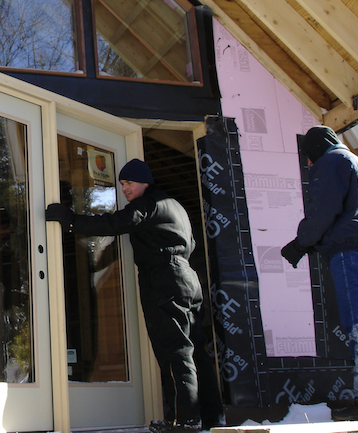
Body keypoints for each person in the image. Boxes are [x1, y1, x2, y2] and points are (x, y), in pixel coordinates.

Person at [46, 158, 224, 433]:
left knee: (175, 350)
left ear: (145, 182)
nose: (125, 189)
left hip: (164, 279)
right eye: (122, 185)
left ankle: (186, 420)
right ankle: (213, 418)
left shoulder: (149, 204)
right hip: (187, 278)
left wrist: (69, 221)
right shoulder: (175, 207)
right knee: (196, 350)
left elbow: (115, 223)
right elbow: (190, 243)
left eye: (129, 183)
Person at [280, 125, 358, 421]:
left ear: (317, 149)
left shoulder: (331, 161)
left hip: (349, 252)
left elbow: (323, 211)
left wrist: (300, 244)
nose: (308, 163)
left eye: (308, 157)